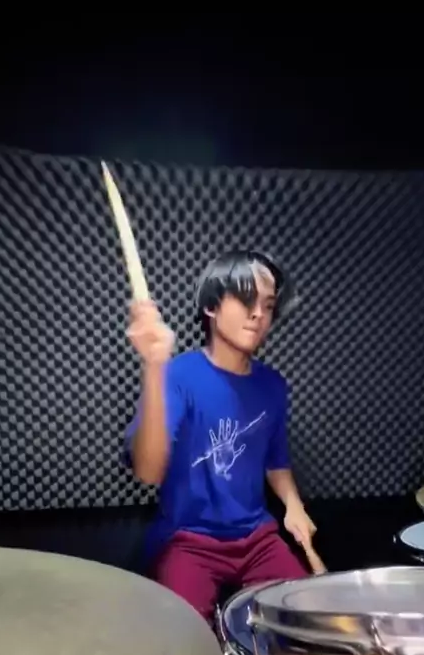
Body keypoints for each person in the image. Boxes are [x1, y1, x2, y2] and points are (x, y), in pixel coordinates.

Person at [124, 249, 320, 623]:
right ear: (211, 306)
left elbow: (276, 460)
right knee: (185, 635)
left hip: (257, 537)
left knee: (305, 621)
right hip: (188, 539)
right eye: (246, 299)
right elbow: (148, 470)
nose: (259, 314)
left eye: (268, 305)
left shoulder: (273, 385)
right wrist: (153, 367)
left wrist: (293, 505)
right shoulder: (178, 376)